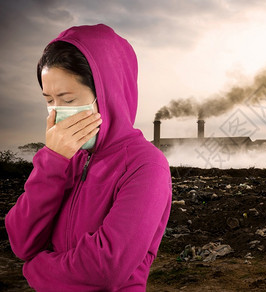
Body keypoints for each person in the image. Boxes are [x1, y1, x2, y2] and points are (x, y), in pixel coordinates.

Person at [5, 24, 172, 291]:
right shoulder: (66, 157)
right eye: (49, 100)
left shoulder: (146, 166)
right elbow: (22, 241)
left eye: (68, 100)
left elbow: (106, 269)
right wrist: (51, 161)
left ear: (108, 95)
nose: (57, 114)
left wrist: (35, 269)